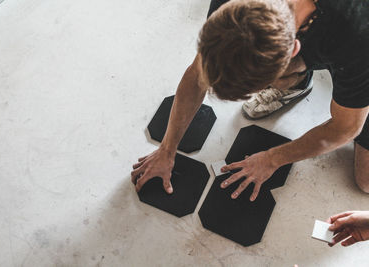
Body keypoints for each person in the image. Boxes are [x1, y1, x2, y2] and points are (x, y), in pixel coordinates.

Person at [131, 0, 369, 202]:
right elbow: (197, 75)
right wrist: (167, 149)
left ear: (295, 49)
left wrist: (272, 159)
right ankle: (299, 84)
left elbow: (344, 129)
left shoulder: (356, 38)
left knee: (366, 181)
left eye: (264, 84)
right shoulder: (233, 9)